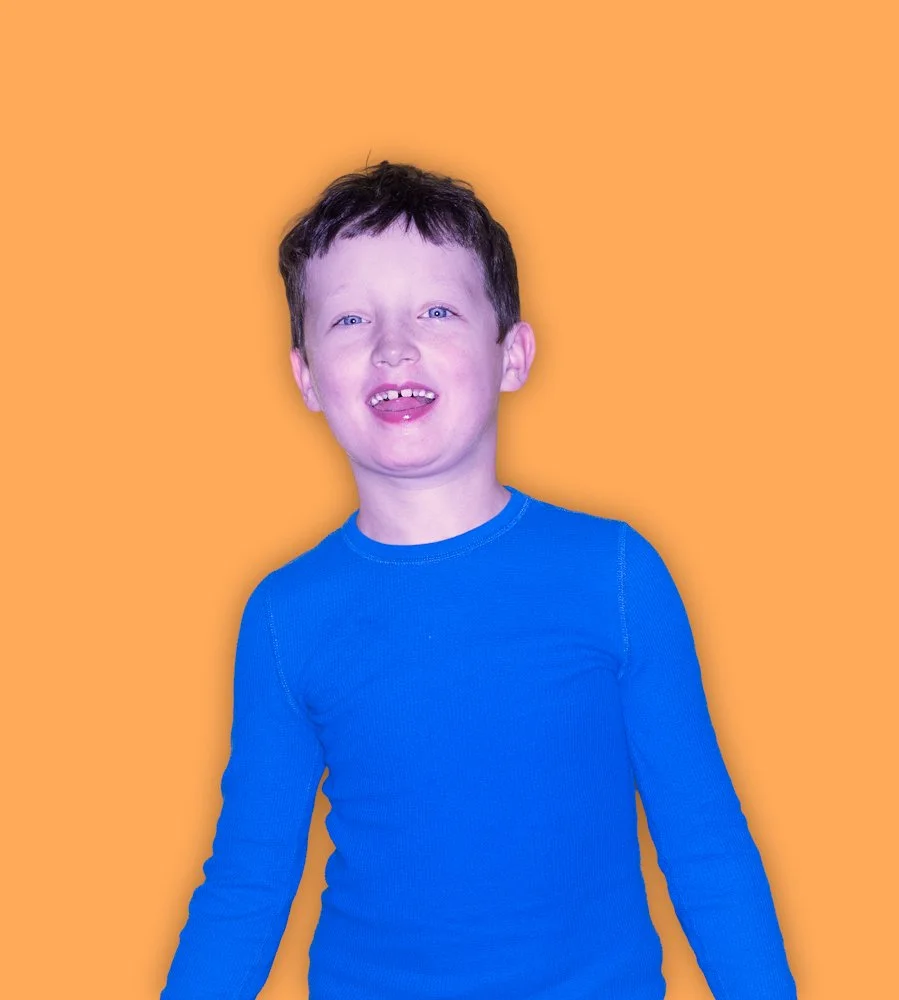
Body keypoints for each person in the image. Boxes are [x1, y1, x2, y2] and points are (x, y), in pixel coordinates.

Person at [161, 161, 797, 999]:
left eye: (436, 310)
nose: (393, 346)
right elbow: (246, 883)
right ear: (307, 376)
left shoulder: (612, 573)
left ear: (512, 354)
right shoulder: (287, 615)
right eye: (349, 318)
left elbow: (704, 843)